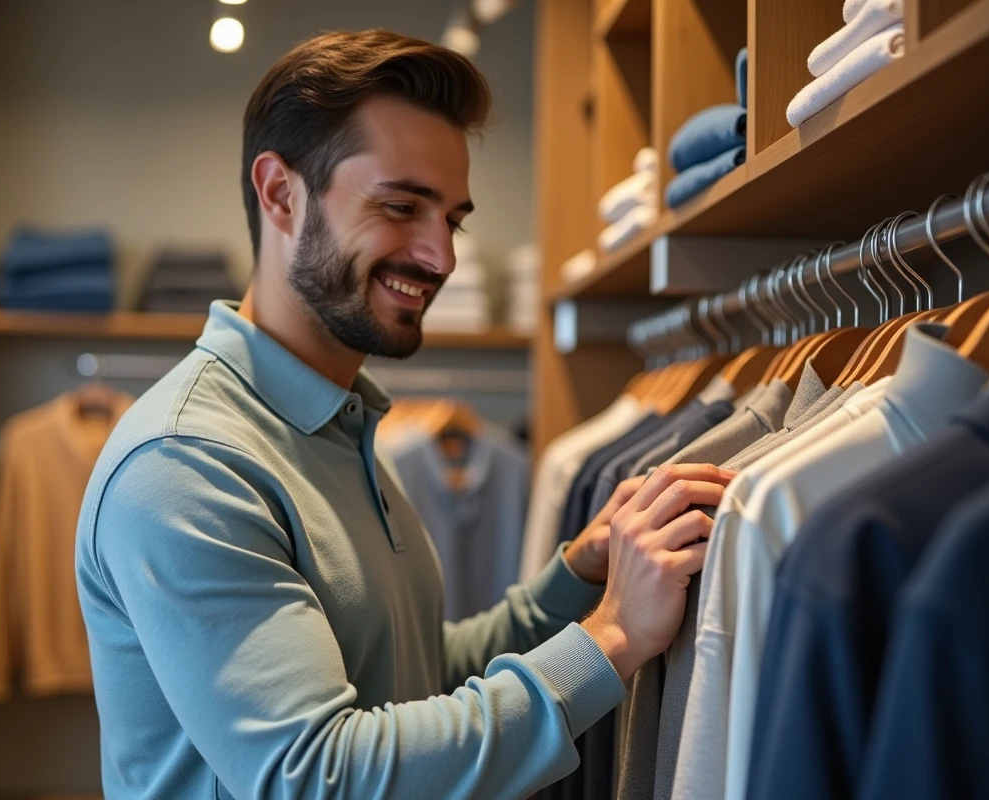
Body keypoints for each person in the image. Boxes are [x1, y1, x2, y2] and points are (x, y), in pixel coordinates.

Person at [75, 29, 731, 799]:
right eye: (400, 206)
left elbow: (407, 678)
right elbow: (320, 775)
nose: (441, 257)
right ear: (281, 193)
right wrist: (611, 637)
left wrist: (575, 583)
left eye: (451, 219)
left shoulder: (336, 428)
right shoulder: (187, 461)